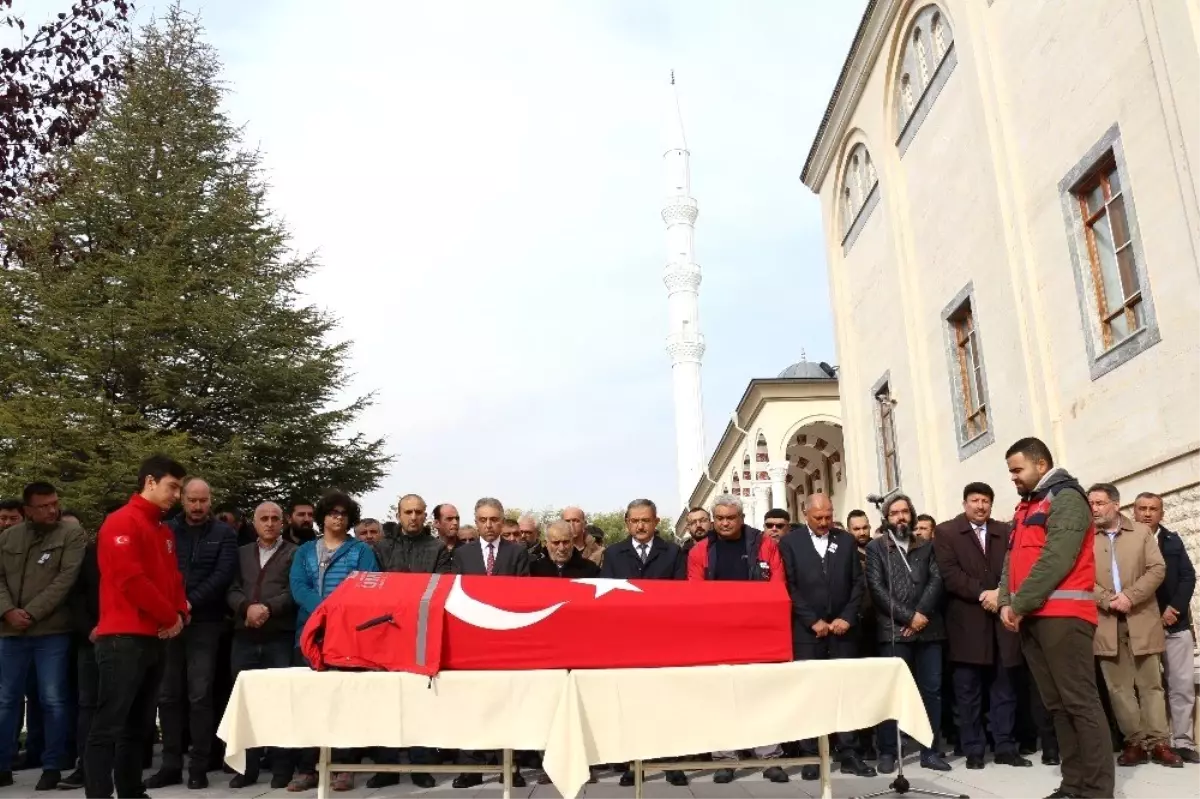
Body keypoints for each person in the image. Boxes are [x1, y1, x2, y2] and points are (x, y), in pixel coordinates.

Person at [998, 437, 1115, 799]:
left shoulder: (1066, 498)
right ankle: (1073, 784)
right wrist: (1006, 599)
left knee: (1080, 702)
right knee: (1058, 706)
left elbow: (1057, 559)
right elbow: (1012, 559)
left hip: (1063, 615)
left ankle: (1096, 790)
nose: (1013, 478)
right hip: (1034, 615)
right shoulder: (1025, 506)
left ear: (1041, 465)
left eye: (1018, 470)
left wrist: (1018, 605)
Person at [85, 454, 190, 799]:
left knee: (139, 726)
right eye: (172, 486)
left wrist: (180, 614)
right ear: (149, 482)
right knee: (108, 725)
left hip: (155, 637)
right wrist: (170, 617)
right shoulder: (120, 522)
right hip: (122, 638)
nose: (177, 494)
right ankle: (99, 794)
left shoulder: (162, 530)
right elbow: (131, 579)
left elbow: (172, 580)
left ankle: (131, 791)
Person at [688, 494, 788, 784]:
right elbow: (695, 594)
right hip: (717, 633)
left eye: (730, 518)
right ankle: (725, 758)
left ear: (741, 518)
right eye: (719, 518)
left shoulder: (763, 544)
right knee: (721, 696)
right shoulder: (700, 550)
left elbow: (776, 585)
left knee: (762, 694)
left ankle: (769, 757)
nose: (724, 523)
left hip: (757, 631)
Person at [933, 482, 1030, 770]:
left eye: (985, 500)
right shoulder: (947, 532)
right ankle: (974, 748)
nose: (980, 506)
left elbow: (1015, 568)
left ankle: (1005, 746)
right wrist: (982, 593)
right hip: (967, 624)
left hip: (1003, 621)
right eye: (975, 500)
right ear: (965, 503)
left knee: (1004, 689)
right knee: (968, 691)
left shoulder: (1004, 530)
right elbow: (950, 574)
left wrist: (999, 596)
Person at [287, 490, 378, 793]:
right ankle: (306, 768)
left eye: (343, 513)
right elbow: (298, 586)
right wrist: (322, 610)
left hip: (347, 636)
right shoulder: (304, 551)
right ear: (322, 517)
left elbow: (368, 586)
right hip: (311, 634)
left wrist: (336, 613)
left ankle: (344, 766)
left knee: (345, 701)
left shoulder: (361, 551)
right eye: (332, 513)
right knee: (309, 703)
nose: (337, 518)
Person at [779, 494, 873, 780]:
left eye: (828, 516)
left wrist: (846, 616)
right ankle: (811, 754)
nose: (823, 522)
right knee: (811, 692)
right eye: (818, 517)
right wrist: (812, 621)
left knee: (845, 690)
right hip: (808, 632)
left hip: (843, 630)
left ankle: (849, 752)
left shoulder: (844, 540)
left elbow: (858, 582)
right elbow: (789, 585)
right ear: (806, 514)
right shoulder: (790, 543)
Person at [0, 482, 87, 789]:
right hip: (9, 631)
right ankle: (3, 765)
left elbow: (65, 580)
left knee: (53, 699)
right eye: (44, 506)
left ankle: (53, 765)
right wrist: (8, 610)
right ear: (27, 511)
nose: (52, 510)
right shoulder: (9, 536)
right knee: (6, 699)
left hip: (52, 630)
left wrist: (31, 612)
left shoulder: (71, 535)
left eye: (55, 503)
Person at [866, 494, 950, 774]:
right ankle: (889, 751)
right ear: (886, 518)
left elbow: (937, 579)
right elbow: (876, 589)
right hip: (894, 631)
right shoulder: (877, 548)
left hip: (928, 629)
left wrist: (920, 615)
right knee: (891, 692)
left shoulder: (927, 546)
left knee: (932, 691)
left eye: (905, 512)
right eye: (894, 513)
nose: (900, 517)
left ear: (912, 515)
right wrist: (908, 616)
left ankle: (930, 749)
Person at [225, 502, 297, 789]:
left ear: (283, 522)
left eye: (274, 518)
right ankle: (247, 768)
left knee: (280, 703)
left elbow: (293, 590)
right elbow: (230, 588)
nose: (269, 523)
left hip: (278, 635)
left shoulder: (294, 553)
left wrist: (267, 608)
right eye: (263, 518)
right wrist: (246, 608)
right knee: (247, 705)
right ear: (254, 522)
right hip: (244, 636)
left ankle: (282, 769)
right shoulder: (241, 553)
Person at [1134, 491, 1198, 763]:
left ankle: (1182, 741)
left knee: (1181, 684)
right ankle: (1152, 742)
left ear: (1162, 514)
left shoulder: (1172, 540)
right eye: (1142, 508)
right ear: (1133, 512)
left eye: (1154, 509)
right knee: (1147, 686)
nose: (1148, 513)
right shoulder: (1126, 543)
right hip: (1141, 626)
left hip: (1175, 624)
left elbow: (1188, 576)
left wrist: (1175, 609)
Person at [531, 522, 599, 578]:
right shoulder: (534, 570)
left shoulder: (590, 569)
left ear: (572, 542)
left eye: (566, 542)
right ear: (546, 543)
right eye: (556, 543)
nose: (562, 548)